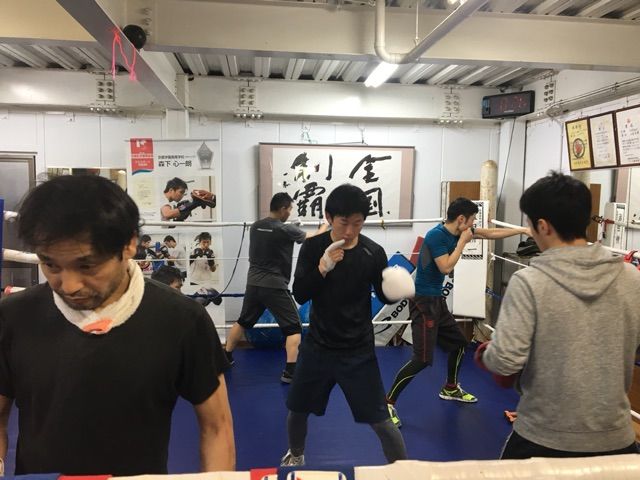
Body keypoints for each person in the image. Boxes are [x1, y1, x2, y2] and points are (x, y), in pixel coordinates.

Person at [0, 175, 235, 475]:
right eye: (51, 265)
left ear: (129, 245)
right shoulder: (14, 316)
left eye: (87, 265)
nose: (69, 285)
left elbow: (216, 427)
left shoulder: (182, 320)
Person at [475, 172, 640, 459]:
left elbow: (505, 361)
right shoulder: (631, 278)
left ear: (543, 226)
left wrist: (486, 354)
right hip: (617, 442)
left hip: (544, 436)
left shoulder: (529, 282)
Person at [280, 184, 414, 467]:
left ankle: (402, 470)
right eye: (344, 223)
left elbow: (383, 295)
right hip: (318, 347)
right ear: (329, 217)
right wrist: (321, 268)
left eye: (357, 223)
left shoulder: (372, 252)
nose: (350, 231)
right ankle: (296, 455)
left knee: (382, 421)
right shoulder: (313, 247)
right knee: (297, 410)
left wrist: (395, 289)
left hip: (358, 351)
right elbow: (300, 293)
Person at [386, 197, 529, 427]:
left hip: (436, 300)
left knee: (459, 344)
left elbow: (490, 233)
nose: (473, 225)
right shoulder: (436, 236)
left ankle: (450, 387)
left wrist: (522, 230)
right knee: (422, 359)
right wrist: (463, 242)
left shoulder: (459, 230)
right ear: (461, 219)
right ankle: (387, 403)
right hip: (423, 301)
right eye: (472, 220)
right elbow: (446, 267)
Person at [224, 192, 327, 383]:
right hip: (274, 286)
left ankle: (226, 357)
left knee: (243, 321)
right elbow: (313, 239)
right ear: (283, 209)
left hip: (253, 283)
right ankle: (290, 372)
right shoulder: (285, 229)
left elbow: (272, 237)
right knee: (294, 328)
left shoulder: (256, 226)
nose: (290, 213)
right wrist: (325, 225)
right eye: (289, 209)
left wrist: (293, 228)